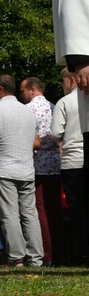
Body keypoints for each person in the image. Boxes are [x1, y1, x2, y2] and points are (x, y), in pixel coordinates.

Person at [0, 74, 42, 267]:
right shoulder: (29, 112)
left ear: (0, 89)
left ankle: (16, 257)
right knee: (30, 214)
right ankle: (36, 257)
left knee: (9, 214)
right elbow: (37, 143)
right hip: (26, 169)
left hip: (4, 168)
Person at [19, 77, 62, 266]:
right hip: (56, 164)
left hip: (36, 164)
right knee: (55, 209)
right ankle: (60, 252)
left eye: (22, 91)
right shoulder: (55, 107)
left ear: (32, 89)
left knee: (39, 210)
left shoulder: (28, 111)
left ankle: (46, 253)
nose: (21, 96)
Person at [51, 68, 87, 263]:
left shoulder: (64, 102)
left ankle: (83, 250)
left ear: (72, 80)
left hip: (72, 160)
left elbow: (56, 132)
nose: (62, 86)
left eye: (63, 82)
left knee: (77, 208)